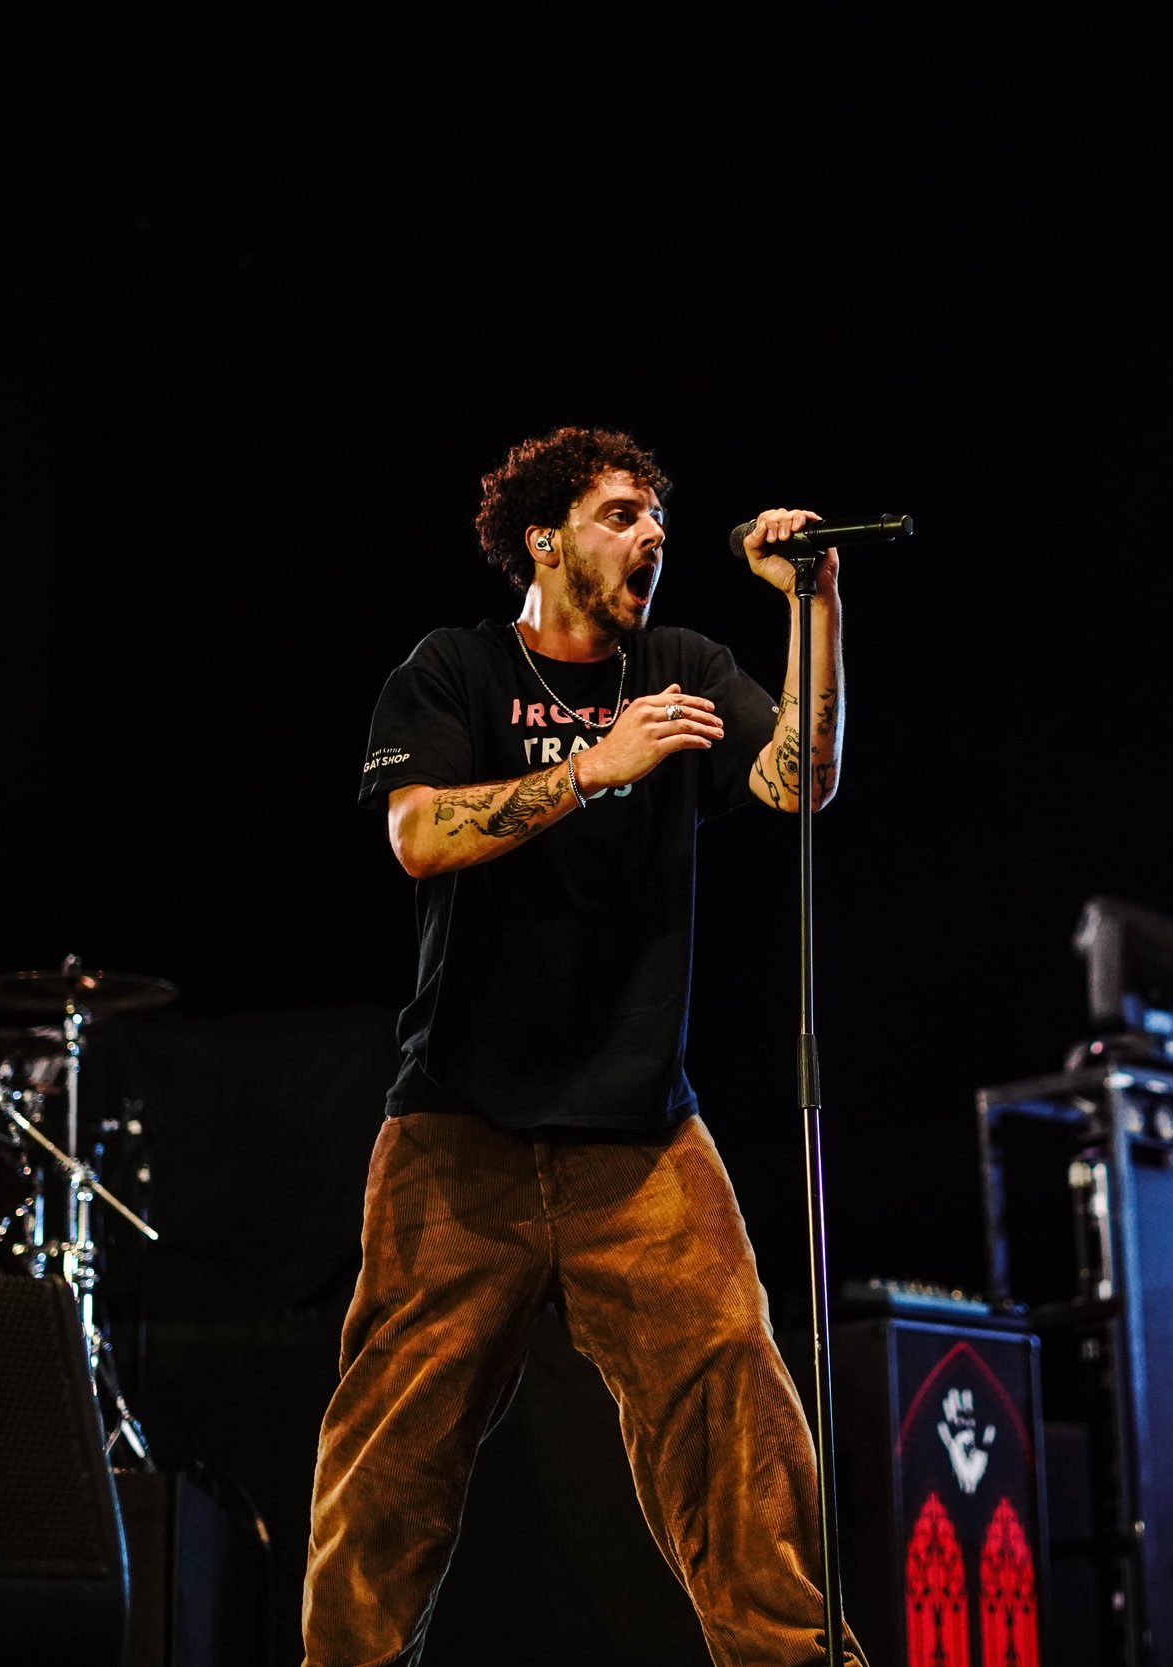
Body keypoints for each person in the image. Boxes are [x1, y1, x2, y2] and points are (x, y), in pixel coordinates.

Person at [304, 426, 865, 1667]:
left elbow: (797, 780)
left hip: (642, 1134)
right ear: (545, 539)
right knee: (392, 1450)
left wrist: (816, 606)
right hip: (461, 1131)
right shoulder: (450, 669)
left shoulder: (684, 663)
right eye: (621, 514)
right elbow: (418, 834)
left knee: (736, 1406)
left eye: (658, 521)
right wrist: (596, 769)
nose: (651, 536)